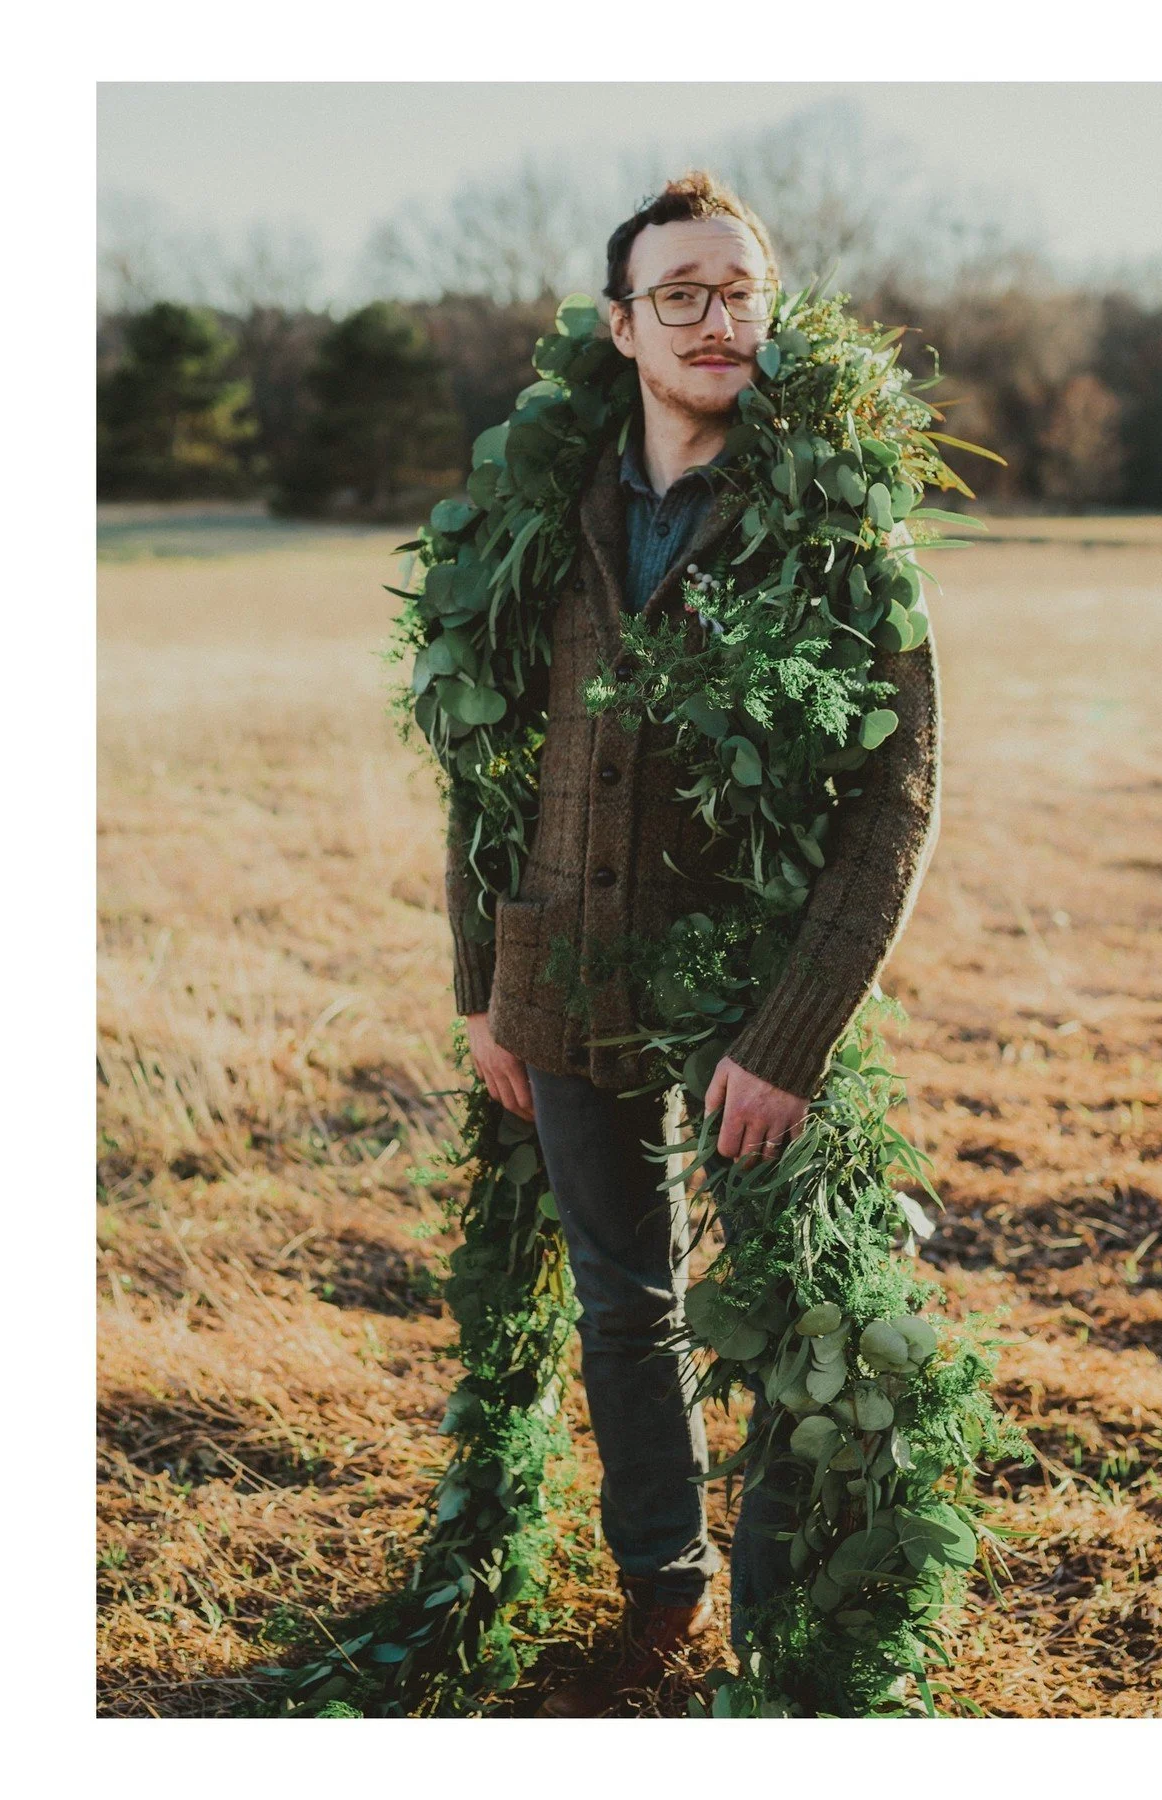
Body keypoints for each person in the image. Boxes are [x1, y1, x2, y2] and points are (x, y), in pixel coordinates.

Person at [444, 171, 942, 1717]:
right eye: (683, 294)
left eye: (743, 291)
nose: (718, 319)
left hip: (746, 1001)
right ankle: (664, 1581)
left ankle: (784, 1638)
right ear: (621, 327)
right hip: (563, 975)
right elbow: (478, 773)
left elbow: (895, 799)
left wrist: (787, 1042)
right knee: (624, 1300)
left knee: (794, 1317)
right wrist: (482, 989)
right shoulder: (548, 517)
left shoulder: (837, 521)